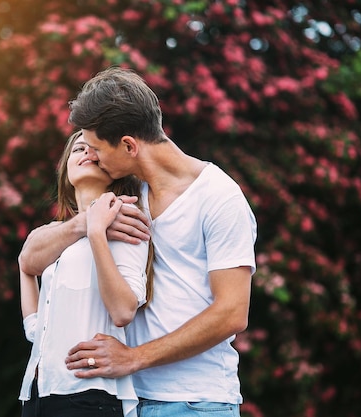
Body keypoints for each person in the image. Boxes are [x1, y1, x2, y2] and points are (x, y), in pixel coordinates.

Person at [18, 67, 257, 417]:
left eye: (97, 148)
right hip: (128, 400)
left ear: (129, 145)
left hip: (195, 401)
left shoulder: (219, 197)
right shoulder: (128, 196)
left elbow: (232, 314)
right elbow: (32, 254)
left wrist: (133, 358)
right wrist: (87, 224)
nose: (93, 157)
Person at [18, 130, 153, 417]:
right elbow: (28, 264)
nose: (86, 154)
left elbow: (122, 310)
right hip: (37, 394)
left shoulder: (126, 222)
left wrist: (96, 233)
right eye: (79, 149)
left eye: (94, 149)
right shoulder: (56, 233)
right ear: (66, 169)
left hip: (89, 395)